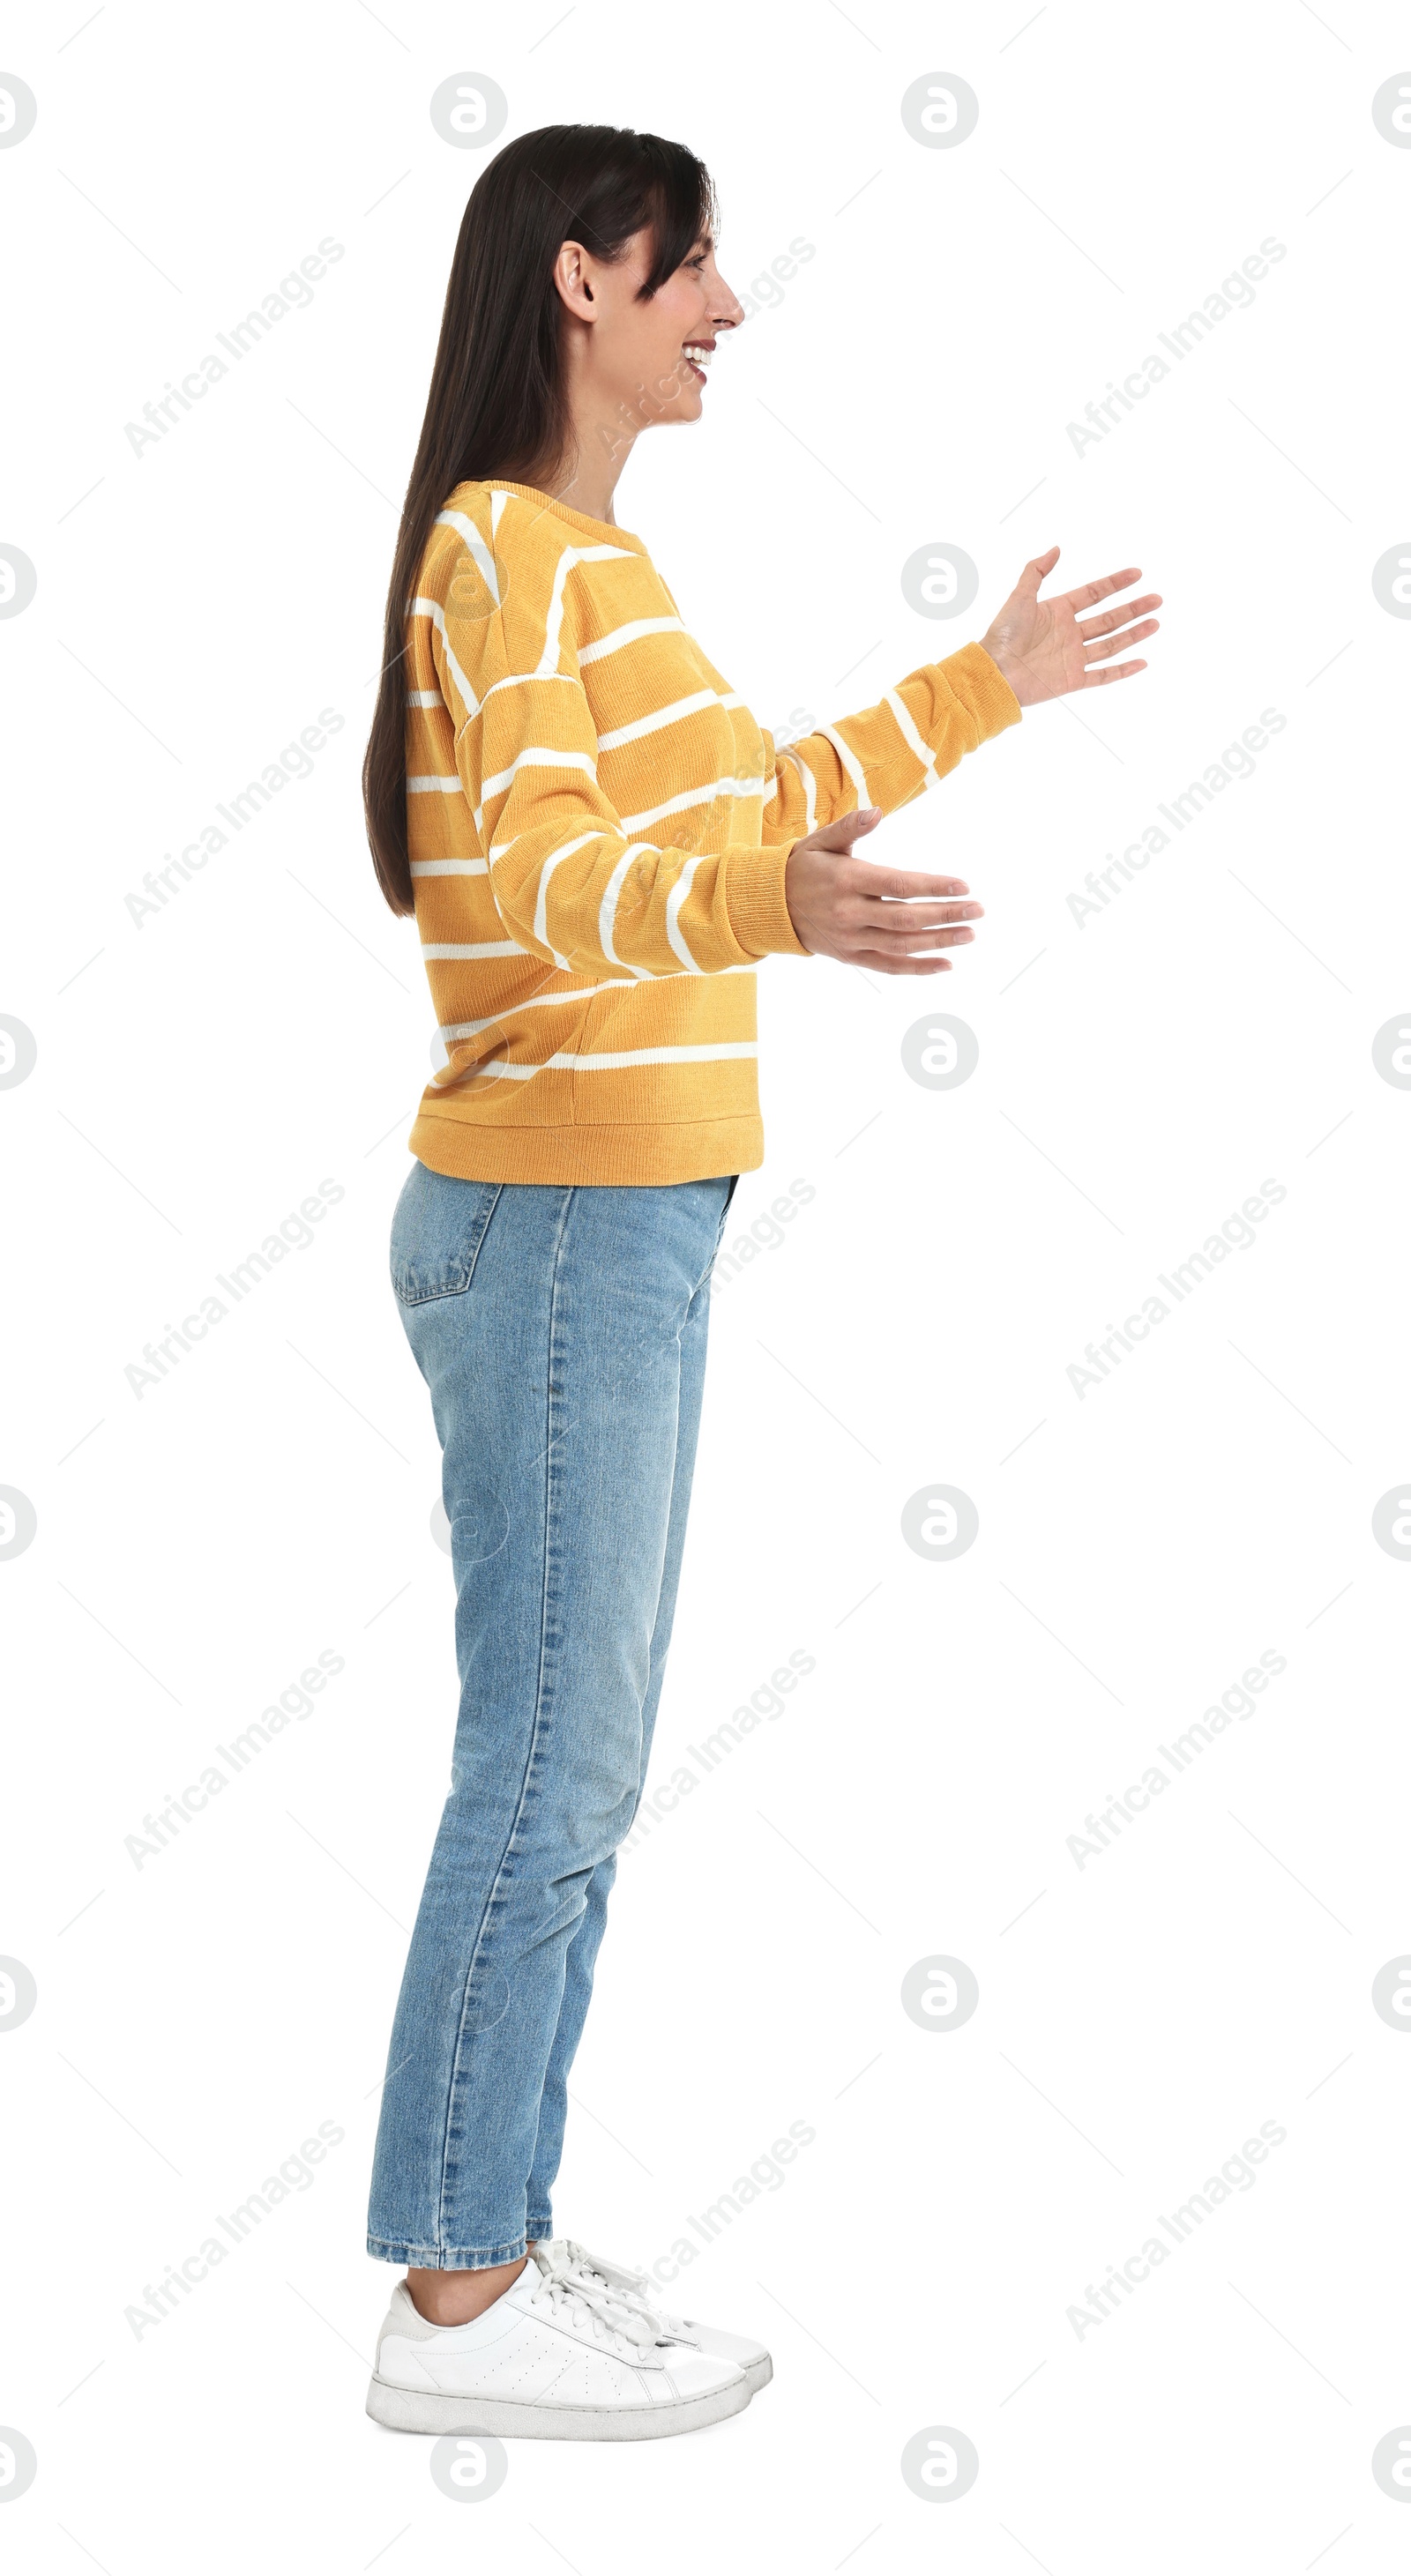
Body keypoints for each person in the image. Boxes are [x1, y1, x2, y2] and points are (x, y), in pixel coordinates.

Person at [359, 122, 1160, 2443]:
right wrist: (772, 912)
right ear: (584, 285)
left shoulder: (586, 569)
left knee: (569, 1758)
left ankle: (485, 2226)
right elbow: (524, 889)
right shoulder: (507, 554)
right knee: (550, 1755)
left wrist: (979, 686)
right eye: (696, 263)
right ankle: (456, 2285)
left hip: (625, 1207)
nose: (729, 302)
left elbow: (717, 835)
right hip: (566, 1212)